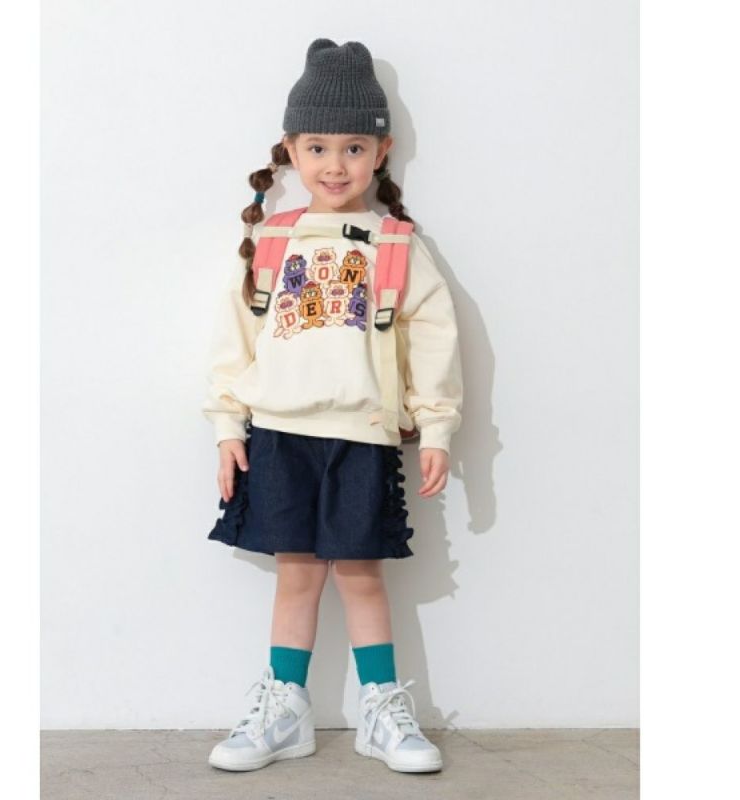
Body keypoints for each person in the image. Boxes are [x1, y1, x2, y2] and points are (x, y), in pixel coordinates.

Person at [201, 38, 463, 774]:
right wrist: (226, 425)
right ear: (290, 149)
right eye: (317, 147)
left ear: (381, 152)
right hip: (279, 434)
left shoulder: (397, 244)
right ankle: (285, 710)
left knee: (360, 575)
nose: (335, 164)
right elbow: (235, 341)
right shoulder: (271, 240)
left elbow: (434, 339)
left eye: (353, 147)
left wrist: (437, 427)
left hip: (363, 435)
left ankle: (381, 709)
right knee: (296, 575)